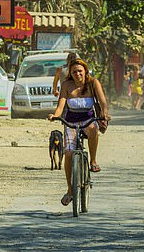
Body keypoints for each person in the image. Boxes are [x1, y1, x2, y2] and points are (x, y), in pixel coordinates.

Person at [47, 58, 109, 207]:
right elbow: (61, 103)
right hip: (71, 122)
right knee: (68, 154)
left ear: (85, 71)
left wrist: (105, 114)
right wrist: (55, 115)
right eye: (74, 72)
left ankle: (93, 161)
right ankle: (70, 190)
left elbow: (102, 101)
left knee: (93, 129)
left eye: (80, 71)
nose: (77, 74)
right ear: (70, 73)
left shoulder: (93, 83)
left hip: (88, 120)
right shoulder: (67, 85)